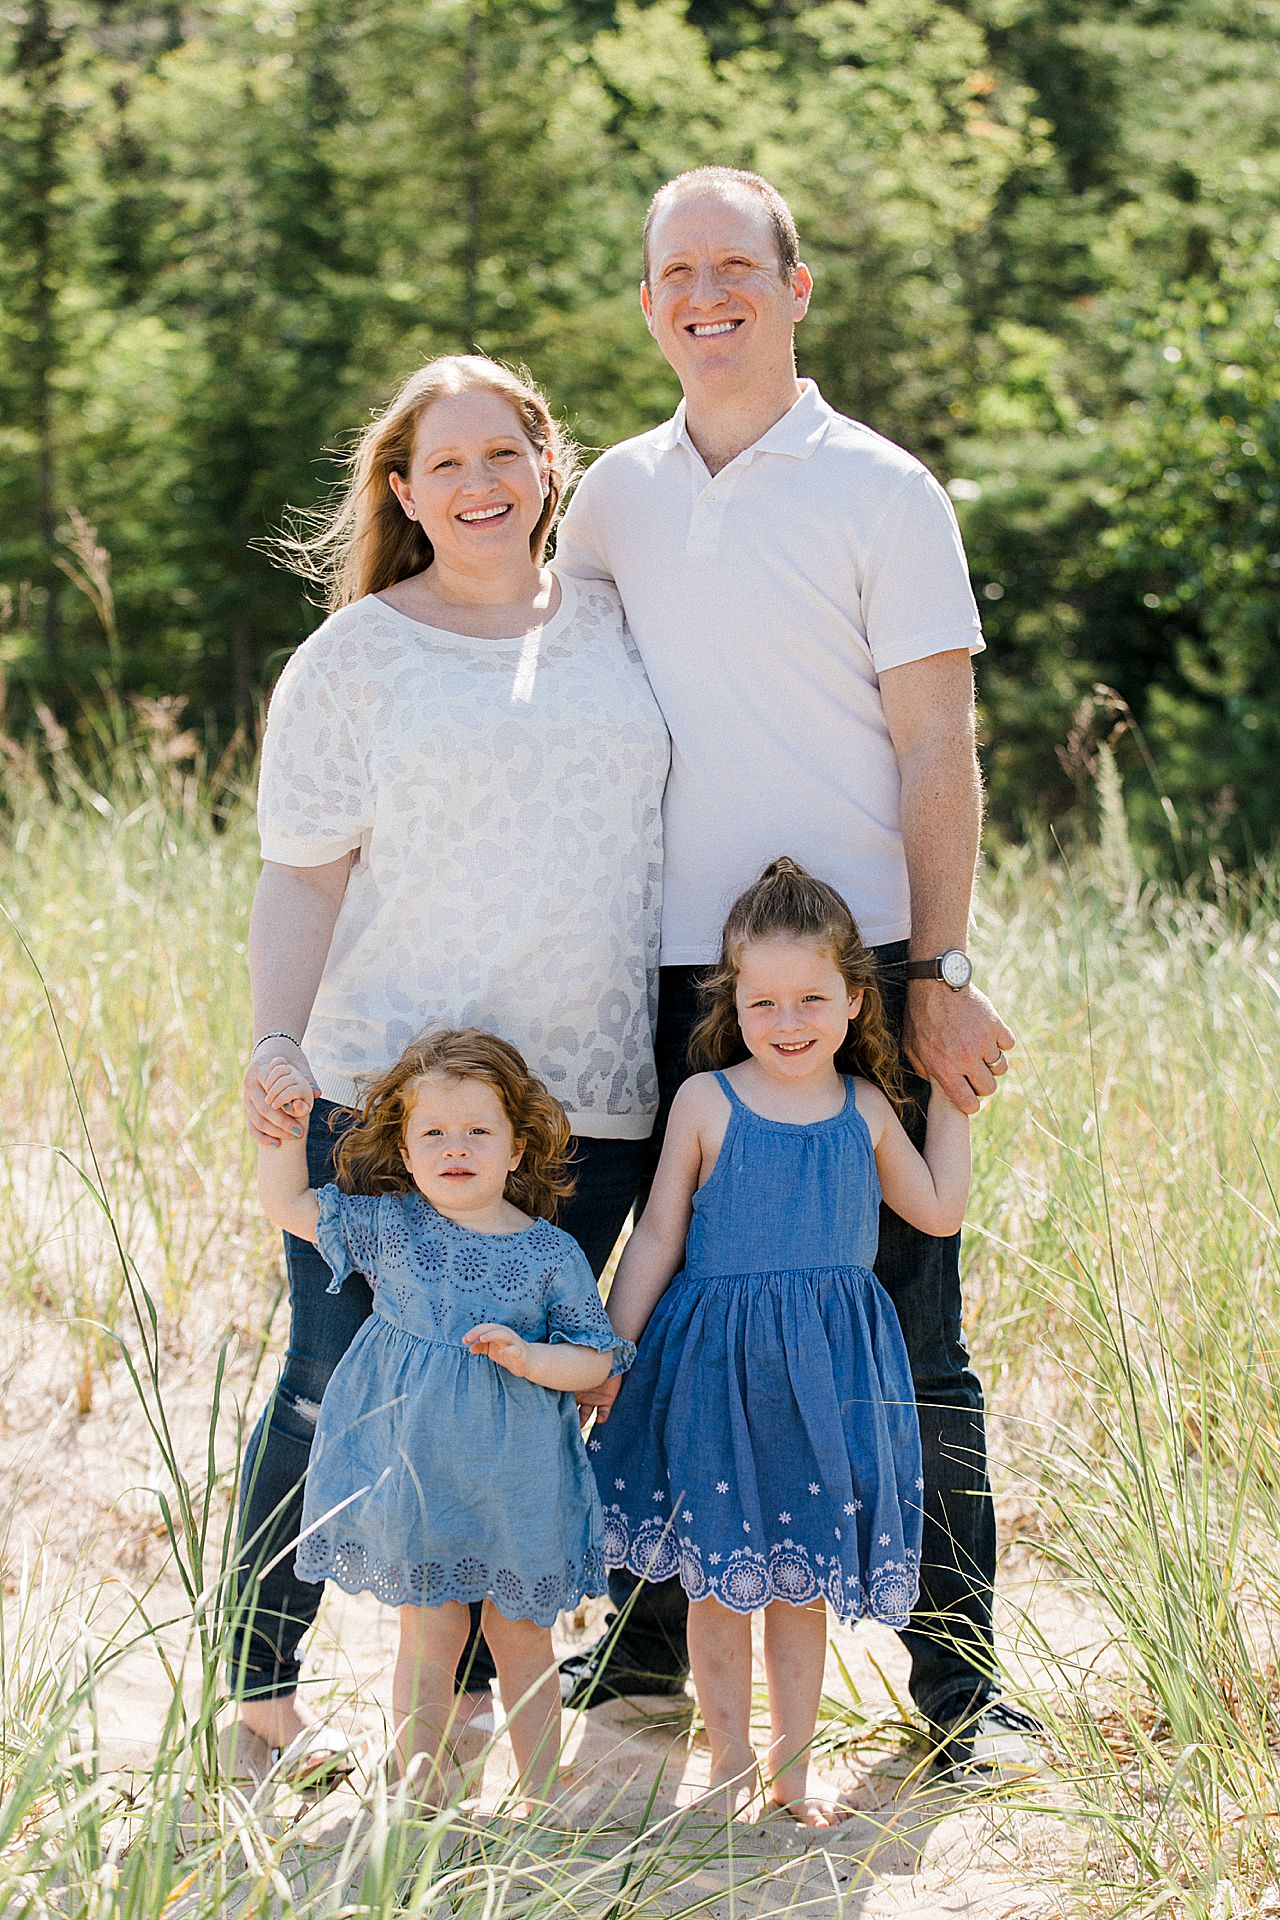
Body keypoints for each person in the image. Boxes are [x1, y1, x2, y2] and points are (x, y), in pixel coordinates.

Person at [556, 167, 1037, 1781]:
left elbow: (936, 739)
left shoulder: (884, 488)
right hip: (679, 961)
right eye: (675, 272)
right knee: (676, 1306)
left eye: (736, 268)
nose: (707, 295)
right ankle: (634, 1653)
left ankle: (963, 1681)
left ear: (795, 286)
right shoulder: (612, 495)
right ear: (646, 304)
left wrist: (942, 967)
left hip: (867, 961)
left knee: (907, 1320)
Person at [232, 353, 668, 1780]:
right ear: (405, 493)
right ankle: (262, 1699)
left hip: (588, 1099)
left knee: (511, 1389)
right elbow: (301, 874)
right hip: (386, 1100)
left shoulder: (619, 621)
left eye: (505, 453)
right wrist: (276, 1044)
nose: (478, 484)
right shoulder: (357, 655)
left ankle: (472, 1704)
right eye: (446, 464)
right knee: (332, 1373)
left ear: (551, 464)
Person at [586, 861, 969, 1823]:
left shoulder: (869, 1108)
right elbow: (659, 1237)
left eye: (810, 998)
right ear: (733, 1000)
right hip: (715, 1371)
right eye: (762, 1001)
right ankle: (727, 1762)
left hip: (824, 1380)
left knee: (795, 1586)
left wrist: (956, 1102)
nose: (787, 1021)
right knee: (719, 1589)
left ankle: (792, 1777)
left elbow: (937, 1207)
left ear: (852, 1001)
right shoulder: (706, 1101)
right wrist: (611, 1355)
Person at [258, 1028, 635, 1807]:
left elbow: (597, 1359)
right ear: (404, 1144)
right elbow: (286, 1204)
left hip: (515, 1480)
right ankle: (419, 1799)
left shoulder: (549, 1253)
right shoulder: (391, 1224)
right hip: (419, 1474)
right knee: (430, 1638)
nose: (454, 1147)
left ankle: (540, 1801)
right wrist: (285, 1130)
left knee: (521, 1637)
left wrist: (533, 1360)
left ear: (517, 1149)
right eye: (433, 1132)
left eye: (477, 1131)